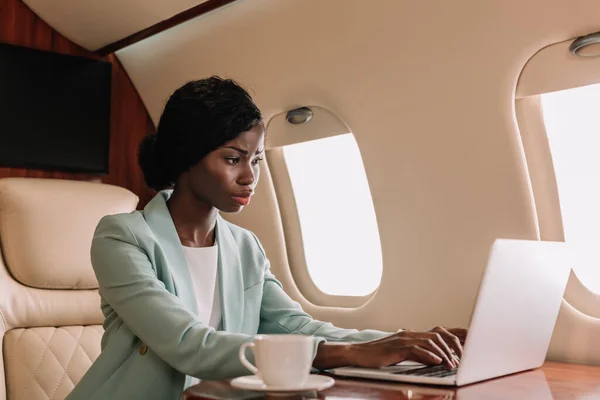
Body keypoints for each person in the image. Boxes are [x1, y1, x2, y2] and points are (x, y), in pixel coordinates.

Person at [67, 77, 467, 400]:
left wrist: (401, 342)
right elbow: (188, 344)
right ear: (187, 156)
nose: (250, 176)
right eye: (232, 158)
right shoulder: (121, 237)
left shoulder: (245, 246)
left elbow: (296, 327)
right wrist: (350, 353)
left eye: (256, 159)